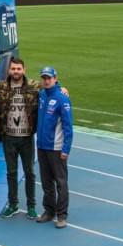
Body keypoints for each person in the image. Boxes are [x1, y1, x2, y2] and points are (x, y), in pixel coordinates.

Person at [0, 56, 39, 220]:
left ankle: (31, 206)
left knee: (30, 173)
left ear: (23, 70)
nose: (16, 71)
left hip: (27, 137)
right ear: (9, 70)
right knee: (11, 173)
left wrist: (62, 88)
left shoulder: (34, 86)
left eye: (19, 69)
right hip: (9, 137)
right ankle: (13, 204)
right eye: (13, 69)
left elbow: (50, 88)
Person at [35, 66, 73, 228]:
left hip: (56, 148)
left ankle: (62, 215)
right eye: (44, 77)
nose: (46, 80)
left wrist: (66, 149)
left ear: (55, 78)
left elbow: (68, 127)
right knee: (46, 182)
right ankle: (49, 211)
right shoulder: (42, 95)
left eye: (49, 78)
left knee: (60, 182)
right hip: (42, 146)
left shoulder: (62, 98)